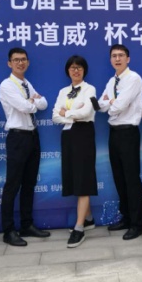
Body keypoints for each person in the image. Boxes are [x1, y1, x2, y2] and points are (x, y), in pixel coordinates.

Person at [0, 47, 50, 246]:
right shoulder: (7, 85)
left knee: (29, 183)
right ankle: (8, 230)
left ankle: (26, 225)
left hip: (32, 136)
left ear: (28, 62)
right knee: (13, 185)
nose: (20, 63)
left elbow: (43, 103)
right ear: (9, 63)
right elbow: (25, 106)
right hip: (18, 138)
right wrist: (31, 102)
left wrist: (32, 101)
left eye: (23, 59)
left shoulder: (26, 84)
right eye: (16, 60)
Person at [98, 44, 142, 240]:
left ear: (128, 58)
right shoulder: (112, 81)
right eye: (114, 56)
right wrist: (110, 103)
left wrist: (110, 103)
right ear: (110, 59)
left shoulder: (133, 78)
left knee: (131, 178)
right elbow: (100, 105)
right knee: (119, 177)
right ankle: (126, 217)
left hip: (128, 132)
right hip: (114, 132)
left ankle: (137, 224)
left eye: (121, 55)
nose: (117, 59)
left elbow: (118, 106)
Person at [52, 55, 98, 248]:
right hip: (68, 136)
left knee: (83, 177)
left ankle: (79, 227)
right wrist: (72, 115)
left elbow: (86, 113)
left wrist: (67, 113)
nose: (76, 70)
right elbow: (55, 116)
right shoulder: (63, 91)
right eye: (72, 67)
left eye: (79, 67)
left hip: (84, 135)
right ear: (68, 71)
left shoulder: (90, 89)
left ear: (84, 70)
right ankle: (88, 219)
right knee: (74, 176)